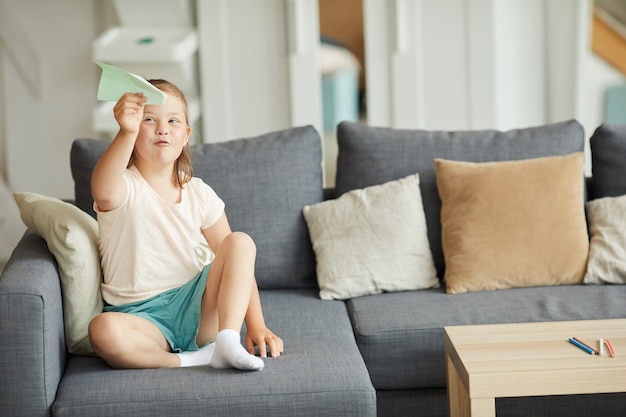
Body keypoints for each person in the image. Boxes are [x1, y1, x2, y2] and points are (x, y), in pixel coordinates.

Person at [88, 79, 283, 370]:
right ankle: (193, 359)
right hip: (141, 319)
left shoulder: (200, 193)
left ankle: (227, 340)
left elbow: (237, 263)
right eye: (149, 119)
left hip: (197, 308)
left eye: (173, 121)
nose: (162, 128)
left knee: (240, 242)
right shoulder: (123, 186)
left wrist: (257, 325)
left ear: (186, 135)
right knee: (101, 330)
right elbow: (102, 191)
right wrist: (125, 131)